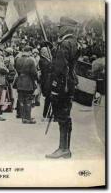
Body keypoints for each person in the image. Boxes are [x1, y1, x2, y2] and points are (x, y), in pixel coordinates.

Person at [46, 17, 79, 159]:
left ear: (66, 28)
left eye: (60, 27)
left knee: (62, 117)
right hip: (69, 83)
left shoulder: (64, 44)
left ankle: (62, 148)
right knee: (66, 116)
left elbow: (59, 68)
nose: (58, 29)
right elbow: (68, 62)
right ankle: (66, 149)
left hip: (62, 85)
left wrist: (54, 87)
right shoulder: (73, 42)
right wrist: (54, 49)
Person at [14, 46, 37, 124]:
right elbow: (34, 73)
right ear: (29, 52)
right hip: (28, 82)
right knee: (28, 100)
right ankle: (27, 118)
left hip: (20, 81)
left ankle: (22, 116)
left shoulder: (17, 59)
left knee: (21, 100)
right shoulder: (31, 60)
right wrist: (35, 81)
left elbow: (16, 69)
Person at [38, 47, 52, 121]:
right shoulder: (42, 60)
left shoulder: (46, 59)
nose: (48, 53)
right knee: (48, 98)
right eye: (47, 52)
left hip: (47, 81)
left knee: (49, 98)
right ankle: (45, 113)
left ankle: (47, 113)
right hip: (46, 81)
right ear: (43, 53)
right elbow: (46, 69)